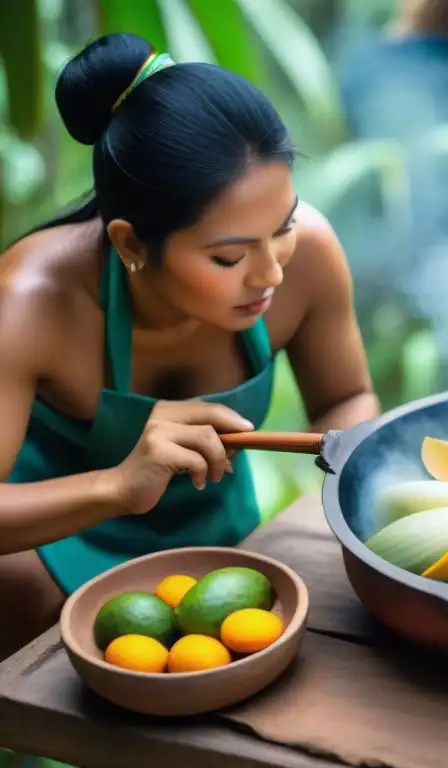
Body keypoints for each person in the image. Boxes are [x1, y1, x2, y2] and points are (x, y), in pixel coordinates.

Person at [0, 33, 380, 661]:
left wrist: (322, 508)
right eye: (228, 256)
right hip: (41, 561)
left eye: (282, 225)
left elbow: (347, 397)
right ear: (130, 244)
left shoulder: (308, 254)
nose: (270, 275)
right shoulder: (29, 302)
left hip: (234, 553)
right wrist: (118, 486)